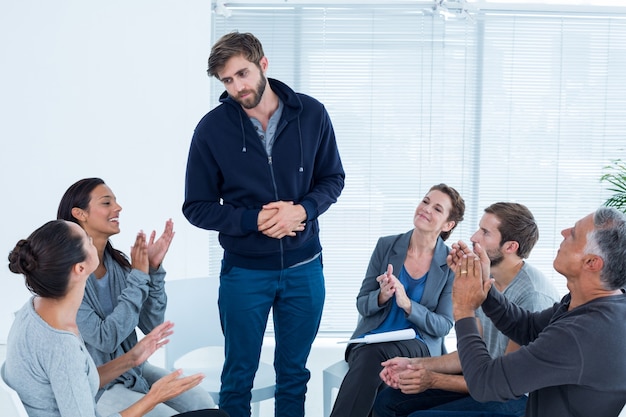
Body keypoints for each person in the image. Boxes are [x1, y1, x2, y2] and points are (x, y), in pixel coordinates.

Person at [182, 32, 345, 417]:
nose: (237, 87)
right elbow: (197, 207)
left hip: (305, 269)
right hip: (245, 273)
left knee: (293, 375)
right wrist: (254, 219)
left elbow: (333, 179)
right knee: (238, 376)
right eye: (227, 80)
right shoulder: (211, 130)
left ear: (263, 64)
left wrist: (301, 211)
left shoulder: (312, 114)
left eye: (242, 74)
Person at [2, 219, 229, 417]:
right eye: (87, 240)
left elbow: (79, 382)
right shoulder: (61, 345)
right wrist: (153, 398)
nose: (92, 240)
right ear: (80, 269)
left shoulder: (34, 309)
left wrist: (132, 358)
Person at [375, 202, 560, 417]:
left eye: (485, 233)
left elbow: (505, 382)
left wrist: (432, 379)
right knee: (388, 401)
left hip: (521, 399)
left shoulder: (532, 296)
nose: (474, 237)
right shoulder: (485, 280)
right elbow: (468, 356)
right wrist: (413, 365)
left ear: (510, 247)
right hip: (485, 381)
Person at [57, 178, 215, 416]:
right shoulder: (71, 277)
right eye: (107, 202)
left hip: (134, 371)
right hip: (99, 386)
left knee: (200, 401)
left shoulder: (118, 265)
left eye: (116, 201)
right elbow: (105, 339)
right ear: (80, 214)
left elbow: (151, 323)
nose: (118, 207)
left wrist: (152, 270)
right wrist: (139, 276)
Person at [451, 207, 626, 417]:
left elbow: (485, 383)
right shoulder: (595, 301)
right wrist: (483, 284)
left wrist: (463, 309)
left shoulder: (584, 334)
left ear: (591, 263)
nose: (563, 232)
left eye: (574, 234)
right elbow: (528, 328)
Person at [328, 183, 465, 417]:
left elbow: (443, 325)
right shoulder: (386, 246)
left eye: (437, 209)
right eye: (425, 201)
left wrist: (408, 304)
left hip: (418, 344)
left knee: (375, 360)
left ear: (448, 225)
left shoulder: (451, 264)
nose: (426, 209)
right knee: (375, 364)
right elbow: (362, 303)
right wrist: (382, 296)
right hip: (370, 339)